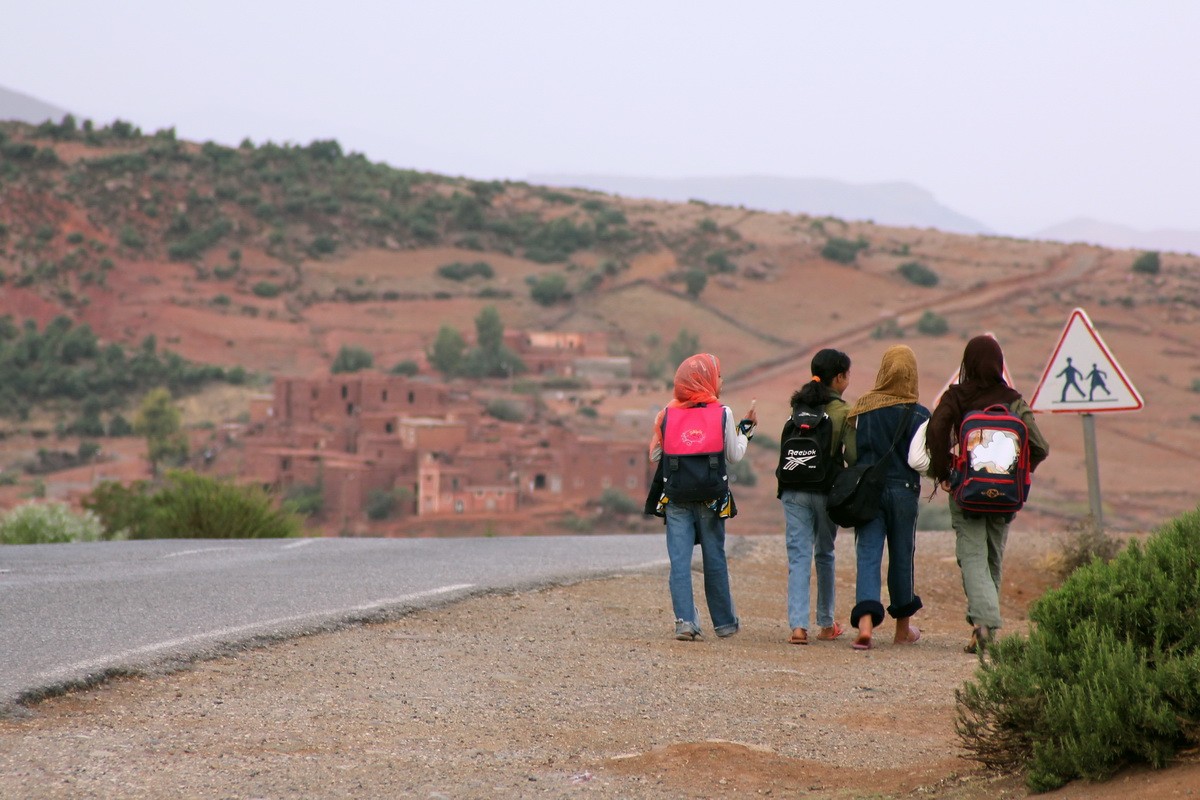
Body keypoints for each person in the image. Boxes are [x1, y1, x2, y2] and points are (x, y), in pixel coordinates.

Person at [927, 335, 1049, 654]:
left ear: (967, 363)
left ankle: (983, 623)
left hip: (966, 490)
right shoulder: (1013, 400)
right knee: (993, 554)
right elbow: (1040, 446)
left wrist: (944, 473)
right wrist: (1019, 473)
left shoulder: (957, 396)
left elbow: (937, 428)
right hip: (1006, 493)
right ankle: (986, 629)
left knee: (972, 555)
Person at [648, 353, 757, 641]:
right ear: (706, 380)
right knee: (714, 559)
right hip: (712, 499)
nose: (720, 381)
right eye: (718, 375)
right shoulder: (723, 413)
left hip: (677, 498)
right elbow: (734, 456)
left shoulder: (666, 414)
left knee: (679, 561)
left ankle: (685, 622)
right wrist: (746, 431)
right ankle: (724, 624)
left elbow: (655, 455)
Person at [846, 344, 930, 650]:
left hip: (870, 490)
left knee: (867, 553)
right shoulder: (920, 413)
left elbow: (853, 452)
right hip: (905, 491)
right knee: (902, 555)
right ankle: (901, 631)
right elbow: (923, 457)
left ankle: (865, 626)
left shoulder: (864, 408)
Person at [778, 348, 855, 645]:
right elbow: (854, 455)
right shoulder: (843, 412)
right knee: (825, 553)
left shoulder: (796, 408)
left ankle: (798, 627)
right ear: (838, 378)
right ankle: (825, 623)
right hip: (825, 492)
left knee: (798, 556)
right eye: (846, 374)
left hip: (793, 491)